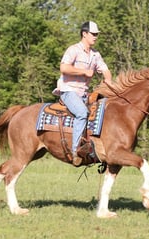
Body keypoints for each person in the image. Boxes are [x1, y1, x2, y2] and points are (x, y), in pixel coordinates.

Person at [52, 21, 112, 166]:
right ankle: (75, 151)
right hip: (68, 90)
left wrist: (109, 80)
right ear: (84, 34)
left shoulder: (95, 55)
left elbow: (105, 69)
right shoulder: (73, 50)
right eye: (93, 34)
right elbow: (64, 68)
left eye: (97, 34)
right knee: (81, 113)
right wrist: (84, 71)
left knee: (104, 111)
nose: (96, 37)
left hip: (84, 93)